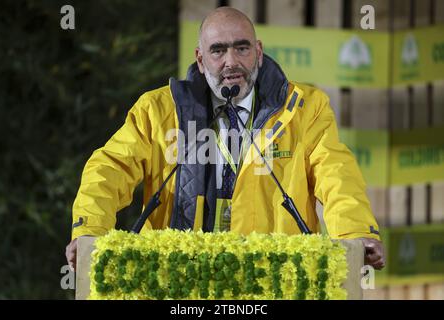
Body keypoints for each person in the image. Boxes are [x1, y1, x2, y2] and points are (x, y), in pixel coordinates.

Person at [66, 7, 385, 272]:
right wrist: (89, 231)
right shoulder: (158, 111)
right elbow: (111, 168)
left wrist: (357, 233)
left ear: (258, 53)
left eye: (241, 47)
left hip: (274, 280)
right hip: (180, 280)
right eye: (218, 50)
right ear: (201, 59)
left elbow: (336, 174)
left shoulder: (305, 108)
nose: (231, 61)